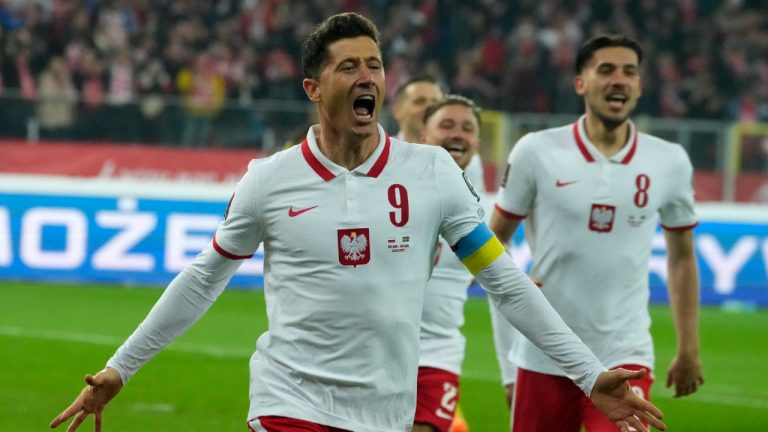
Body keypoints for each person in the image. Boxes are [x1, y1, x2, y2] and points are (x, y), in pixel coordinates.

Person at [50, 15, 666, 432]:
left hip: (385, 411)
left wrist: (589, 374)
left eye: (374, 64)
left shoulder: (431, 173)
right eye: (349, 67)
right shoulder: (268, 178)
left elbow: (505, 282)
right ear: (314, 89)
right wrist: (118, 368)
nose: (367, 75)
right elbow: (203, 277)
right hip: (288, 401)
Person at [489, 34, 704, 432]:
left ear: (640, 86)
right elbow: (492, 239)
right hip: (545, 351)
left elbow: (682, 256)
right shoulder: (536, 151)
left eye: (630, 72)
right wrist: (511, 277)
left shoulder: (669, 161)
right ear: (581, 83)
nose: (618, 80)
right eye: (606, 70)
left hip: (626, 354)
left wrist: (688, 345)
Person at [410, 94, 484, 432]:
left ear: (477, 143)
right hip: (378, 347)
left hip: (438, 353)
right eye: (447, 125)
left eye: (467, 128)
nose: (458, 133)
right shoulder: (392, 193)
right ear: (424, 137)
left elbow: (502, 281)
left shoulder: (484, 214)